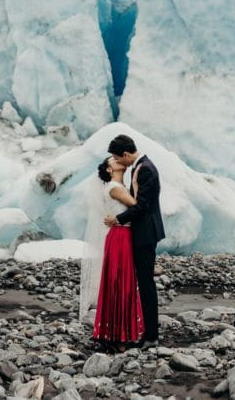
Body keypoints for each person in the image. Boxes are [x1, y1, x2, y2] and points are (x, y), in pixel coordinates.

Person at [105, 134, 165, 350]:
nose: (118, 162)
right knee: (143, 281)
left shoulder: (146, 168)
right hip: (143, 232)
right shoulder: (140, 166)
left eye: (118, 158)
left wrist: (118, 219)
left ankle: (151, 336)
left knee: (146, 283)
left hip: (145, 233)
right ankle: (147, 333)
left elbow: (143, 206)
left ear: (126, 154)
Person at [87, 156, 145, 352]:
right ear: (109, 170)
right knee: (122, 281)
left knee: (120, 281)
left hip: (120, 235)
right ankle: (121, 335)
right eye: (112, 159)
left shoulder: (118, 186)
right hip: (121, 236)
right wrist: (137, 183)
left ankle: (115, 332)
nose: (117, 159)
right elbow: (138, 206)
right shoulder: (114, 187)